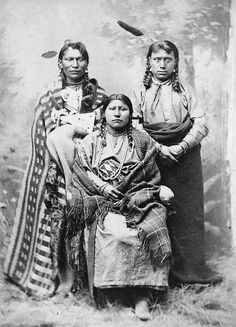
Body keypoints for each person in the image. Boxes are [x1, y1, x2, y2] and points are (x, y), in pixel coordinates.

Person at [4, 40, 107, 298]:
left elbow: (106, 132)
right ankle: (62, 280)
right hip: (55, 170)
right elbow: (41, 136)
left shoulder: (100, 95)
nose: (75, 64)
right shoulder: (49, 95)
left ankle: (90, 281)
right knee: (58, 223)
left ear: (86, 63)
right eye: (69, 59)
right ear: (60, 63)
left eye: (79, 59)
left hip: (89, 168)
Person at [67, 93, 174, 321]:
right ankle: (114, 292)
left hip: (138, 199)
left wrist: (138, 195)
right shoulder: (91, 141)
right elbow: (82, 171)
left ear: (130, 114)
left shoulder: (142, 140)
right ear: (104, 113)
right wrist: (104, 188)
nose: (117, 113)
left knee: (144, 231)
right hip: (104, 201)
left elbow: (151, 174)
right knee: (116, 234)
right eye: (112, 108)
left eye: (123, 109)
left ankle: (141, 296)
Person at [130, 40, 222, 286]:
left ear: (175, 63)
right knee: (156, 209)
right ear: (149, 62)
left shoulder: (186, 90)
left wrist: (181, 146)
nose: (162, 64)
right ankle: (159, 275)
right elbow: (135, 125)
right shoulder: (139, 91)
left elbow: (201, 123)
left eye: (167, 60)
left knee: (188, 213)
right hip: (152, 158)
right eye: (157, 59)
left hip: (186, 159)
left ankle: (190, 272)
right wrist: (159, 148)